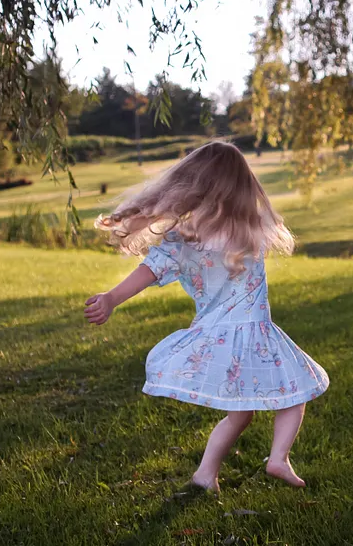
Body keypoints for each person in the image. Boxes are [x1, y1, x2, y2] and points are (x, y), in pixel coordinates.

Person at [83, 141, 329, 493]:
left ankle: (205, 475)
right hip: (256, 334)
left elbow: (149, 271)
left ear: (191, 188)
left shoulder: (185, 240)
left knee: (241, 414)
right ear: (243, 186)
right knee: (296, 390)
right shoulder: (253, 231)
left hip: (216, 336)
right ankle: (278, 458)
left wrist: (111, 299)